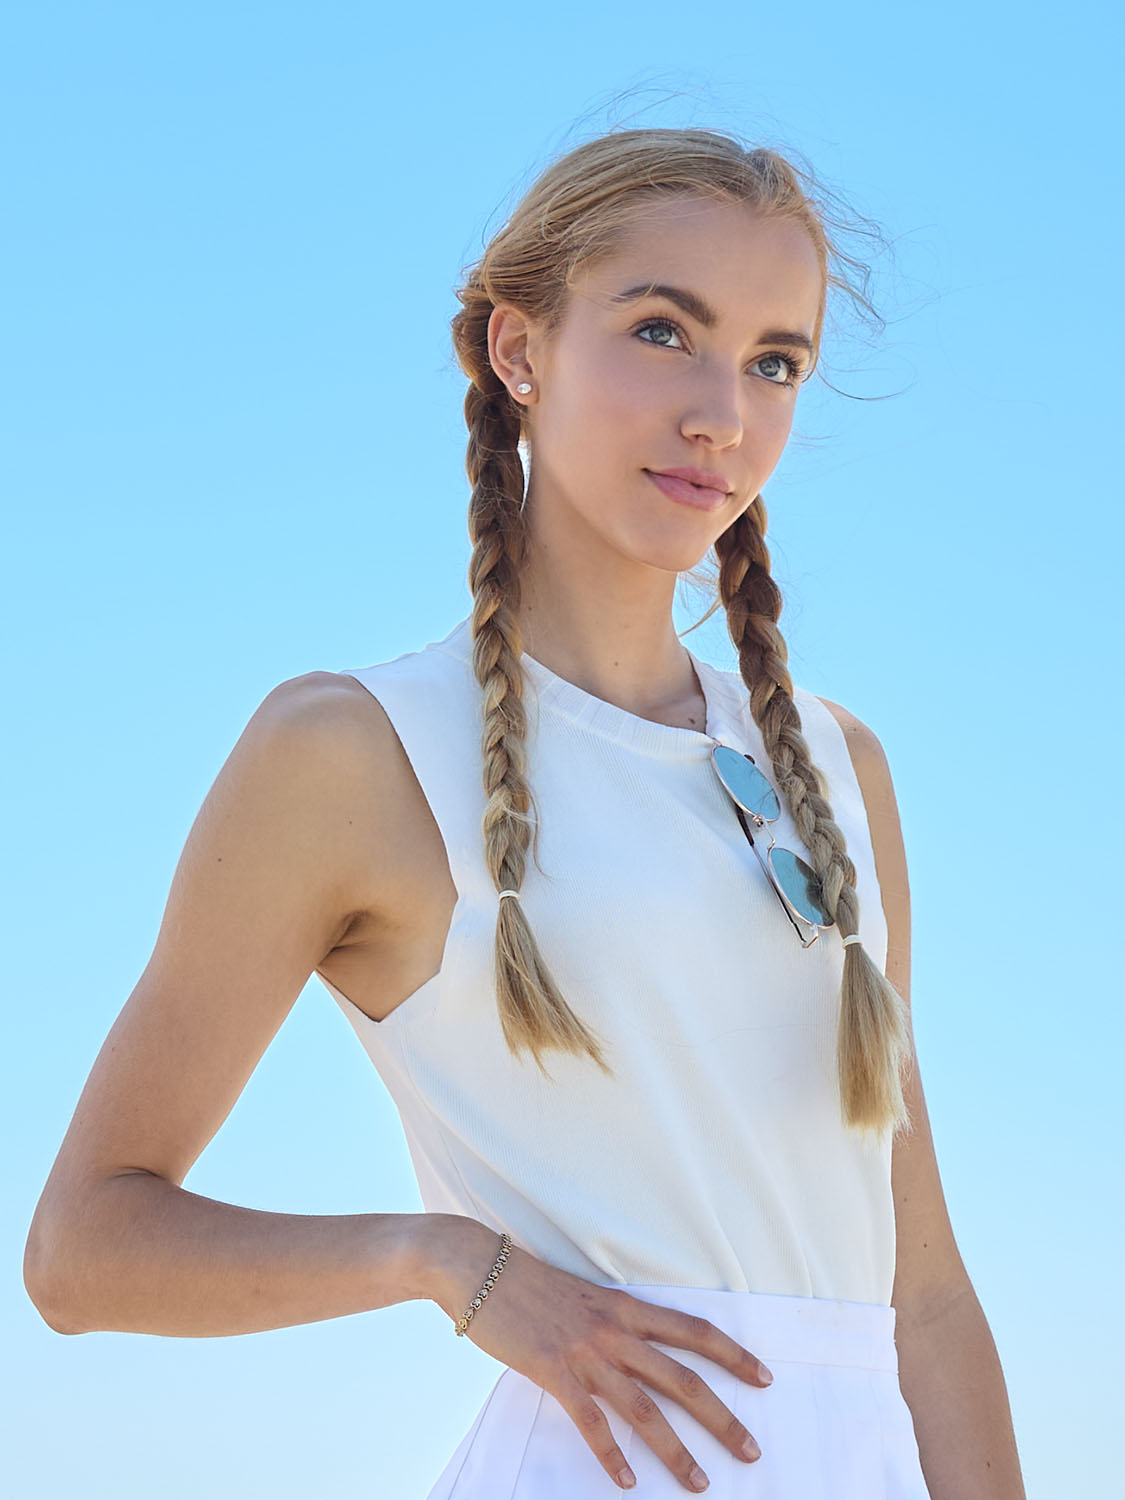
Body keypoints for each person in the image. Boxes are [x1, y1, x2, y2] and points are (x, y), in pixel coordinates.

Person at [23, 127, 1027, 1498]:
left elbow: (923, 1301)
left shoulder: (840, 769)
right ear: (519, 351)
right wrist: (447, 1263)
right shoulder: (352, 752)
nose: (720, 413)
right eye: (663, 330)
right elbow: (82, 1249)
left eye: (774, 361)